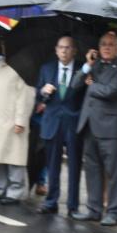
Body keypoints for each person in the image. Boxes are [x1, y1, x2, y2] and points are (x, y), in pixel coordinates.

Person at [70, 31, 117, 226]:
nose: (106, 47)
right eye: (103, 43)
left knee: (113, 174)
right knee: (92, 170)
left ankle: (113, 212)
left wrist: (92, 84)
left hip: (111, 129)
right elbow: (74, 84)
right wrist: (87, 64)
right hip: (89, 126)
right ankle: (93, 209)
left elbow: (110, 91)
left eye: (111, 44)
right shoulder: (94, 65)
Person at [35, 36, 87, 216]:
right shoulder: (47, 68)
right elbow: (38, 95)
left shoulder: (83, 69)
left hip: (73, 123)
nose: (64, 51)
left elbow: (87, 97)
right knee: (52, 165)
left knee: (74, 167)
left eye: (68, 48)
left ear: (74, 50)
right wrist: (43, 92)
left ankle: (73, 206)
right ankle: (51, 201)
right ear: (56, 49)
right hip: (52, 122)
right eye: (61, 47)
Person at [0, 55, 36, 205]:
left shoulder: (24, 68)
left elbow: (27, 94)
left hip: (12, 119)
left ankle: (15, 190)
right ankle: (0, 187)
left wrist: (21, 120)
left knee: (14, 157)